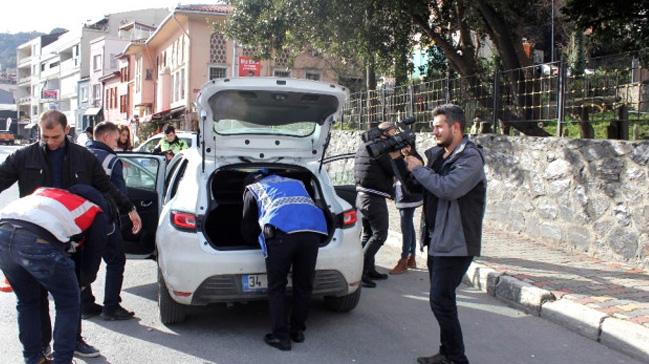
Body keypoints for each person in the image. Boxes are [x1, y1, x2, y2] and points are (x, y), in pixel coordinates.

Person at [0, 110, 142, 358]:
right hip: (38, 232)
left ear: (67, 131)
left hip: (74, 232)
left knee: (73, 291)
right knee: (37, 297)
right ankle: (44, 348)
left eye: (55, 136)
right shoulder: (23, 156)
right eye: (45, 136)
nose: (50, 142)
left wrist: (129, 208)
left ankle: (72, 341)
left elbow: (105, 186)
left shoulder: (83, 157)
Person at [393, 104, 486, 364]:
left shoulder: (471, 158)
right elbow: (415, 189)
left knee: (439, 300)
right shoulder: (438, 154)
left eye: (439, 126)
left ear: (455, 127)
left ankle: (456, 358)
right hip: (436, 239)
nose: (434, 130)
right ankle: (447, 353)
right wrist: (400, 160)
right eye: (433, 125)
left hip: (457, 241)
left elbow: (448, 188)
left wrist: (418, 169)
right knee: (444, 300)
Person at [0, 186, 106, 364]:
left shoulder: (46, 192)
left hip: (3, 234)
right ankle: (62, 360)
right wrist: (83, 282)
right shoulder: (94, 210)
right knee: (69, 302)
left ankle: (33, 359)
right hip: (37, 241)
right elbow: (94, 254)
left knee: (27, 301)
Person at [241, 172, 328, 351]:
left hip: (281, 236)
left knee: (277, 287)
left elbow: (248, 224)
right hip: (312, 234)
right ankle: (297, 331)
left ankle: (281, 337)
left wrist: (251, 241)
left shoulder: (253, 189)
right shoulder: (297, 182)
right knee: (304, 285)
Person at [84, 121, 135, 320]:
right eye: (115, 139)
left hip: (77, 218)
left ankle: (85, 305)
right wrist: (129, 211)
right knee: (116, 260)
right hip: (103, 219)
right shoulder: (111, 160)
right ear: (106, 137)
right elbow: (119, 192)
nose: (116, 143)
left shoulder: (78, 153)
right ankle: (111, 307)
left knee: (82, 259)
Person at [353, 121, 401, 288]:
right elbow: (392, 169)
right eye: (394, 132)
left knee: (368, 235)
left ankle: (369, 269)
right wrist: (397, 156)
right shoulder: (379, 147)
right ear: (385, 133)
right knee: (380, 235)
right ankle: (362, 271)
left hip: (362, 196)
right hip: (373, 197)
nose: (395, 136)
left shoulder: (366, 145)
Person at [389, 177, 423, 274]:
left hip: (406, 193)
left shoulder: (405, 161)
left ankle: (404, 260)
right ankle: (411, 258)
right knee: (408, 224)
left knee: (406, 226)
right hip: (408, 192)